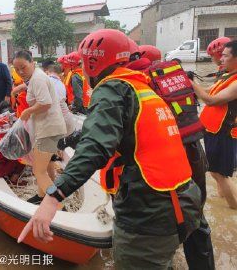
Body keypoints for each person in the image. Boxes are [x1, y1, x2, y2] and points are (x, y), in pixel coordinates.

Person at [18, 29, 201, 269]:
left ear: (94, 63)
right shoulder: (141, 87)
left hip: (150, 213)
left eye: (84, 63)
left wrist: (53, 198)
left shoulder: (113, 88)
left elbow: (95, 148)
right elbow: (125, 134)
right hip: (184, 201)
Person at [128, 44, 215, 270]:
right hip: (196, 151)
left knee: (168, 218)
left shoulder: (142, 82)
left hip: (171, 159)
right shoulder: (179, 76)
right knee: (198, 216)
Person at [13, 50, 67, 205]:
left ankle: (57, 205)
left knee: (38, 171)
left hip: (48, 129)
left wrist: (28, 111)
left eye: (23, 67)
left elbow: (45, 103)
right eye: (17, 70)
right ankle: (41, 195)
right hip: (48, 127)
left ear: (32, 63)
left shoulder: (37, 79)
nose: (20, 72)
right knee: (46, 165)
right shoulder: (35, 77)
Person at [192, 39, 237, 210]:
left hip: (223, 133)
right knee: (217, 172)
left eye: (225, 56)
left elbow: (210, 100)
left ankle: (233, 208)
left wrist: (191, 84)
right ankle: (223, 199)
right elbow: (209, 92)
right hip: (214, 130)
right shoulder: (228, 75)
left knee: (220, 174)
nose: (221, 59)